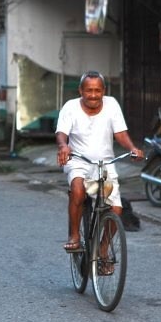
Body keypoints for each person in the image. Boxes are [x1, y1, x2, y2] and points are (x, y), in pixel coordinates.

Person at [56, 71, 144, 258]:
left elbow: (120, 133)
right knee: (78, 189)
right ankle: (74, 236)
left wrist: (132, 148)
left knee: (116, 209)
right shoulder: (70, 107)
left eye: (97, 90)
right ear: (81, 90)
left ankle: (103, 249)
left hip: (104, 166)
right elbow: (62, 133)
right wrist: (64, 146)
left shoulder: (112, 105)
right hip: (78, 162)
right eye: (89, 90)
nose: (93, 95)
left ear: (104, 90)